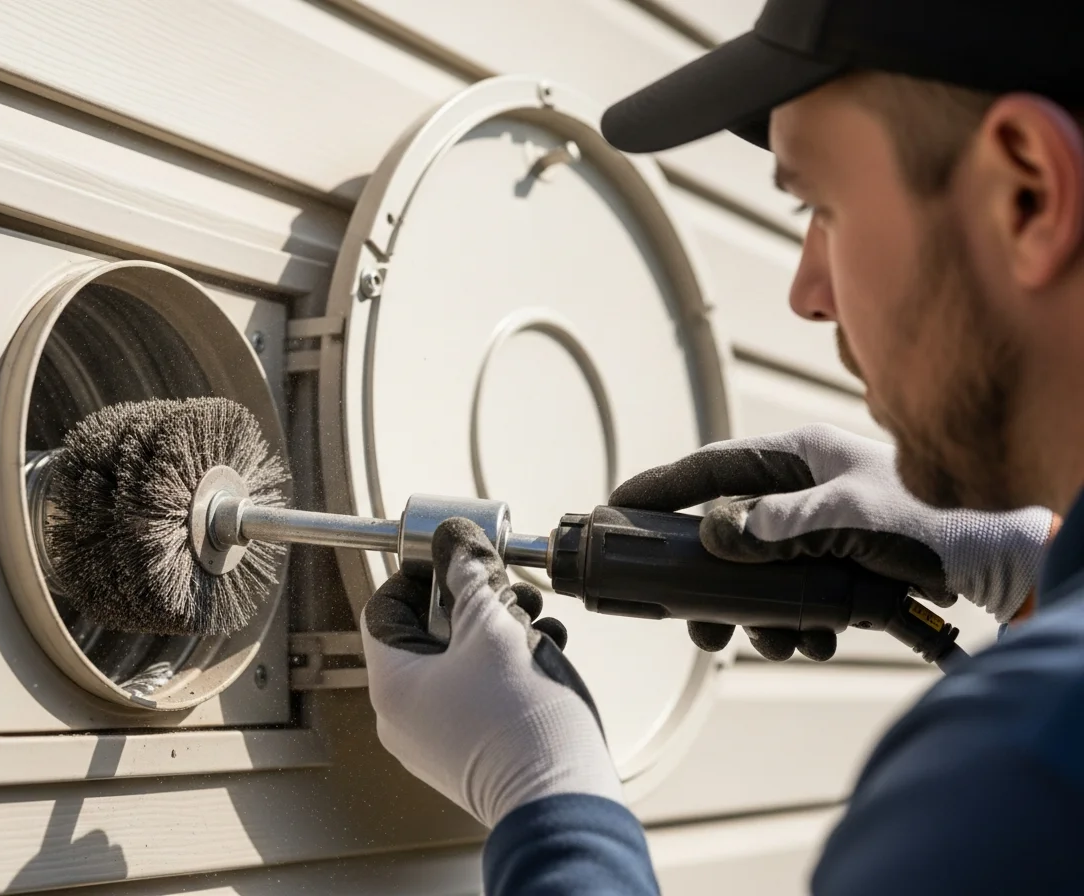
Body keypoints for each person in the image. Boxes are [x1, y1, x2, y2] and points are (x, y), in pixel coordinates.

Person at [359, 0, 1084, 892]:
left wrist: (547, 796)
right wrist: (1030, 564)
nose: (808, 295)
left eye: (823, 206)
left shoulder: (1024, 774)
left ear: (1028, 194)